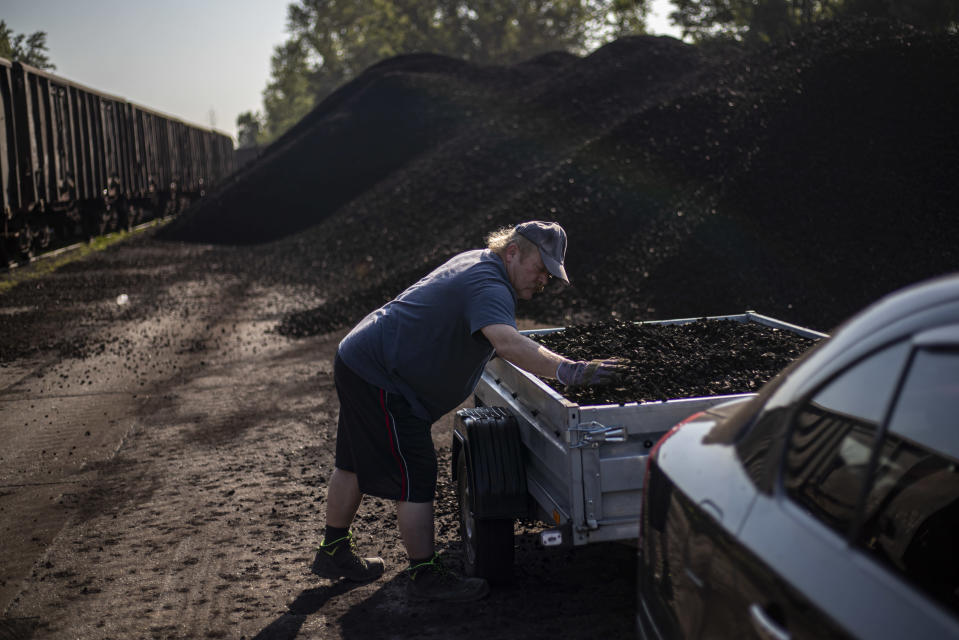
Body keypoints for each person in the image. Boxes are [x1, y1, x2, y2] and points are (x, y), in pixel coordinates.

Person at [310, 221, 624, 602]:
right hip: (383, 377)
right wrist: (568, 370)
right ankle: (425, 575)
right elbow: (506, 342)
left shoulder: (480, 264)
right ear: (513, 252)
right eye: (540, 268)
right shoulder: (490, 287)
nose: (543, 280)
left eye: (550, 274)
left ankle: (333, 551)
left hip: (360, 358)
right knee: (417, 471)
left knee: (353, 462)